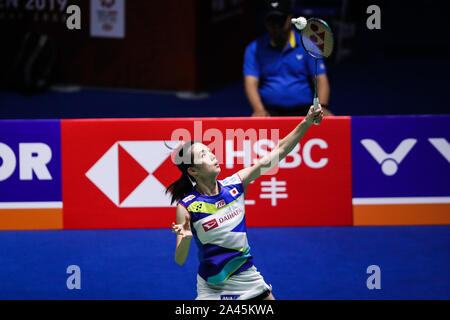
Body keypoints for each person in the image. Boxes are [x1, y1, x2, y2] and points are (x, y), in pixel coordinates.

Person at [168, 104, 324, 300]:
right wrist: (187, 237)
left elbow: (279, 150)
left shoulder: (236, 185)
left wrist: (307, 121)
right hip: (212, 287)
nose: (212, 155)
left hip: (247, 278)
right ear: (193, 171)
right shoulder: (187, 206)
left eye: (209, 151)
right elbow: (180, 259)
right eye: (203, 155)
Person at [244, 0, 333, 117]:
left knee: (329, 121)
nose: (276, 27)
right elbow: (251, 83)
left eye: (280, 21)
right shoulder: (254, 48)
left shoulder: (308, 45)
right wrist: (259, 109)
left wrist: (322, 107)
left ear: (290, 19)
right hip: (270, 111)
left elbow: (321, 80)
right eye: (271, 21)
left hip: (305, 110)